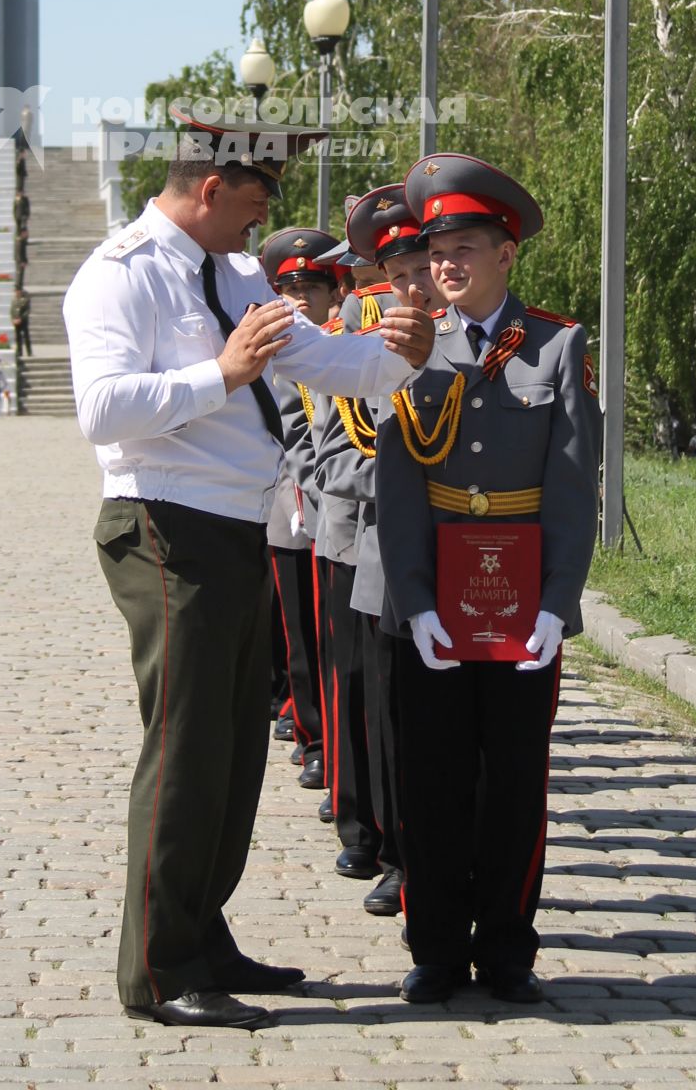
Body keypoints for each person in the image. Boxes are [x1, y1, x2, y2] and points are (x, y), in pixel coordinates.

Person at [63, 110, 436, 1031]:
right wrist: (221, 375)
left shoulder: (234, 272)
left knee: (231, 754)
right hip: (163, 524)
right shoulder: (120, 275)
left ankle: (203, 933)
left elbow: (318, 357)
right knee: (186, 751)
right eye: (255, 200)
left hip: (231, 529)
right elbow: (103, 409)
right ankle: (156, 968)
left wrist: (401, 358)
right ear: (207, 188)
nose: (262, 220)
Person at [376, 153, 600, 1007]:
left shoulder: (554, 344)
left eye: (466, 245)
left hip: (518, 605)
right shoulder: (406, 346)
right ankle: (433, 947)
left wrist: (556, 605)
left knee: (513, 781)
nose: (446, 263)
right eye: (437, 250)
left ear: (507, 253)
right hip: (434, 603)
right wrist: (414, 599)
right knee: (429, 782)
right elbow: (396, 489)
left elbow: (574, 487)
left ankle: (508, 948)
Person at [314, 188, 438, 921]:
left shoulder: (480, 336)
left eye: (426, 261)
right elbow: (334, 449)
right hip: (385, 551)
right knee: (387, 711)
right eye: (402, 270)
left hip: (469, 557)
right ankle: (394, 852)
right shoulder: (359, 341)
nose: (417, 280)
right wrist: (410, 482)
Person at [260, 229, 333, 796]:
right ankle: (311, 733)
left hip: (332, 501)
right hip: (287, 500)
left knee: (331, 632)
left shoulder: (336, 343)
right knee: (299, 628)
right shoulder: (268, 346)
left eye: (312, 287)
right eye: (290, 288)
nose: (301, 300)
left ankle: (330, 737)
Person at [12, 286, 32, 358]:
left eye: (18, 291)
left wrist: (21, 319)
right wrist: (13, 319)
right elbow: (12, 310)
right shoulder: (14, 300)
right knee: (18, 338)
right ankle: (19, 351)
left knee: (26, 336)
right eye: (16, 291)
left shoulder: (25, 300)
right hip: (16, 322)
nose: (17, 293)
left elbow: (27, 311)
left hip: (23, 321)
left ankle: (29, 351)